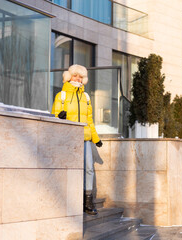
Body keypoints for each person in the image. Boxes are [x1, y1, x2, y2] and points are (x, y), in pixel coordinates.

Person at [52, 64, 103, 215]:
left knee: (88, 168)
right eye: (75, 76)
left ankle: (87, 201)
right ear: (69, 76)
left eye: (81, 77)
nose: (78, 79)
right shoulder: (61, 96)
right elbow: (53, 115)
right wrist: (59, 116)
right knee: (71, 170)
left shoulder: (86, 97)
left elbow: (90, 121)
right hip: (68, 137)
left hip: (85, 138)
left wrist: (96, 138)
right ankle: (69, 200)